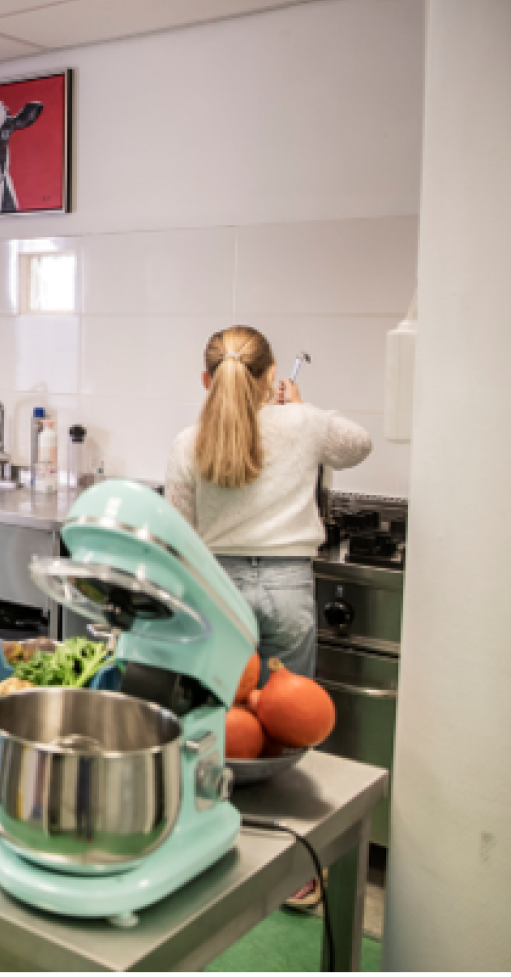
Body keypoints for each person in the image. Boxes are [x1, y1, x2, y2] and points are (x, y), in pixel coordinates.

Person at [162, 324, 369, 910]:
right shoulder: (301, 425)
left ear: (206, 381)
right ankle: (295, 871)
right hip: (288, 589)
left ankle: (209, 842)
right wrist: (303, 410)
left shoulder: (187, 439)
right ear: (273, 378)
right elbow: (358, 446)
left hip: (220, 593)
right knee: (286, 734)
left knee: (214, 725)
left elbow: (184, 531)